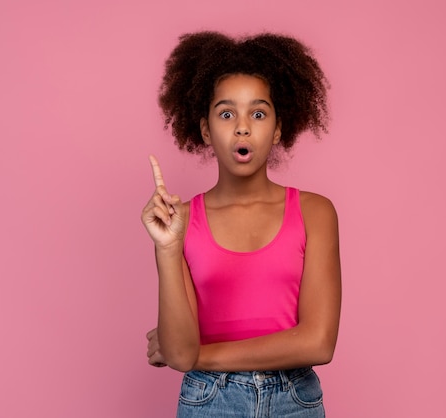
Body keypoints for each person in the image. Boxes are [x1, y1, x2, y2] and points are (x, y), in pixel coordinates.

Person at [141, 31, 341, 418]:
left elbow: (318, 343)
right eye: (227, 113)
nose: (243, 127)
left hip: (293, 401)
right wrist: (167, 248)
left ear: (278, 128)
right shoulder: (179, 222)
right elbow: (181, 353)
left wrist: (201, 355)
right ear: (205, 129)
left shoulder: (316, 213)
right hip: (209, 401)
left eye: (259, 113)